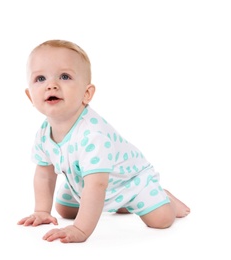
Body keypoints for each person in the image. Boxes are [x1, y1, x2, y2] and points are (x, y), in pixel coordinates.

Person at [17, 39, 190, 243]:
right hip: (85, 182)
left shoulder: (92, 135)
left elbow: (97, 185)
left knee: (161, 220)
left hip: (130, 181)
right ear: (30, 96)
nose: (51, 85)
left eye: (64, 76)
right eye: (40, 78)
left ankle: (162, 197)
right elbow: (45, 175)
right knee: (64, 208)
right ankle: (121, 204)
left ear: (86, 93)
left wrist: (80, 229)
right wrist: (41, 211)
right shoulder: (44, 133)